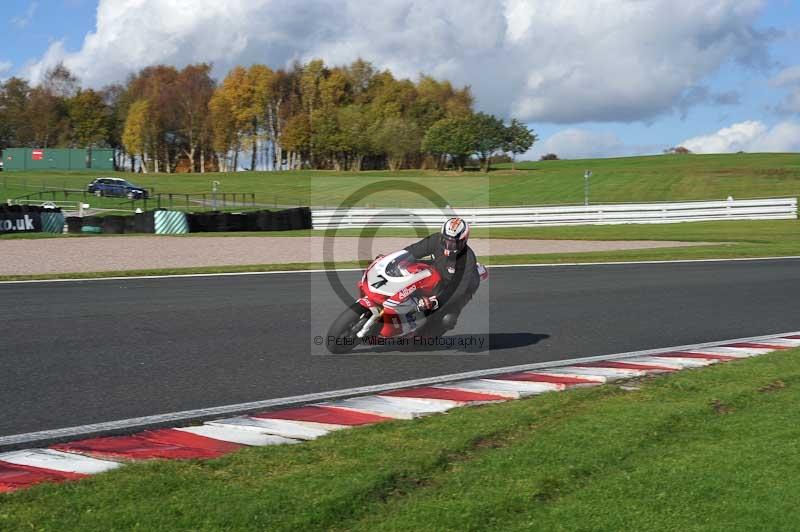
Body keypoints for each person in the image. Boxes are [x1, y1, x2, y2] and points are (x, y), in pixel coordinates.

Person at [404, 217, 480, 333]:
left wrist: (437, 301)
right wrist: (392, 259)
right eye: (446, 240)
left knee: (447, 319)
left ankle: (429, 335)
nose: (449, 245)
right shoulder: (436, 240)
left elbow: (458, 289)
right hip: (438, 272)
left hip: (461, 288)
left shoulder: (467, 259)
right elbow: (413, 250)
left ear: (463, 241)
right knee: (409, 269)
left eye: (453, 243)